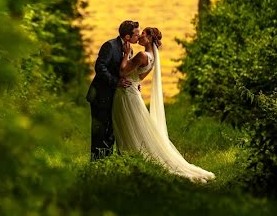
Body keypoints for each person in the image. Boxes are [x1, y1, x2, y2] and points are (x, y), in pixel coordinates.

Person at [113, 27, 216, 183]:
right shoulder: (153, 57)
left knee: (129, 126)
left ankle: (128, 162)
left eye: (143, 34)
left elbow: (122, 72)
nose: (140, 36)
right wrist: (133, 82)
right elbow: (139, 77)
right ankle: (128, 162)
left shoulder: (141, 55)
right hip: (133, 91)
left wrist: (126, 54)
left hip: (127, 93)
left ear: (149, 38)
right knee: (135, 127)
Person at [86, 20, 140, 160]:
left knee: (112, 130)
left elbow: (126, 70)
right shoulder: (110, 46)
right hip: (101, 95)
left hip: (116, 97)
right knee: (100, 130)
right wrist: (116, 82)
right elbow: (100, 67)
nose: (138, 37)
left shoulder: (130, 50)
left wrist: (134, 83)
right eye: (136, 34)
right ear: (127, 37)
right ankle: (97, 162)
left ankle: (108, 160)